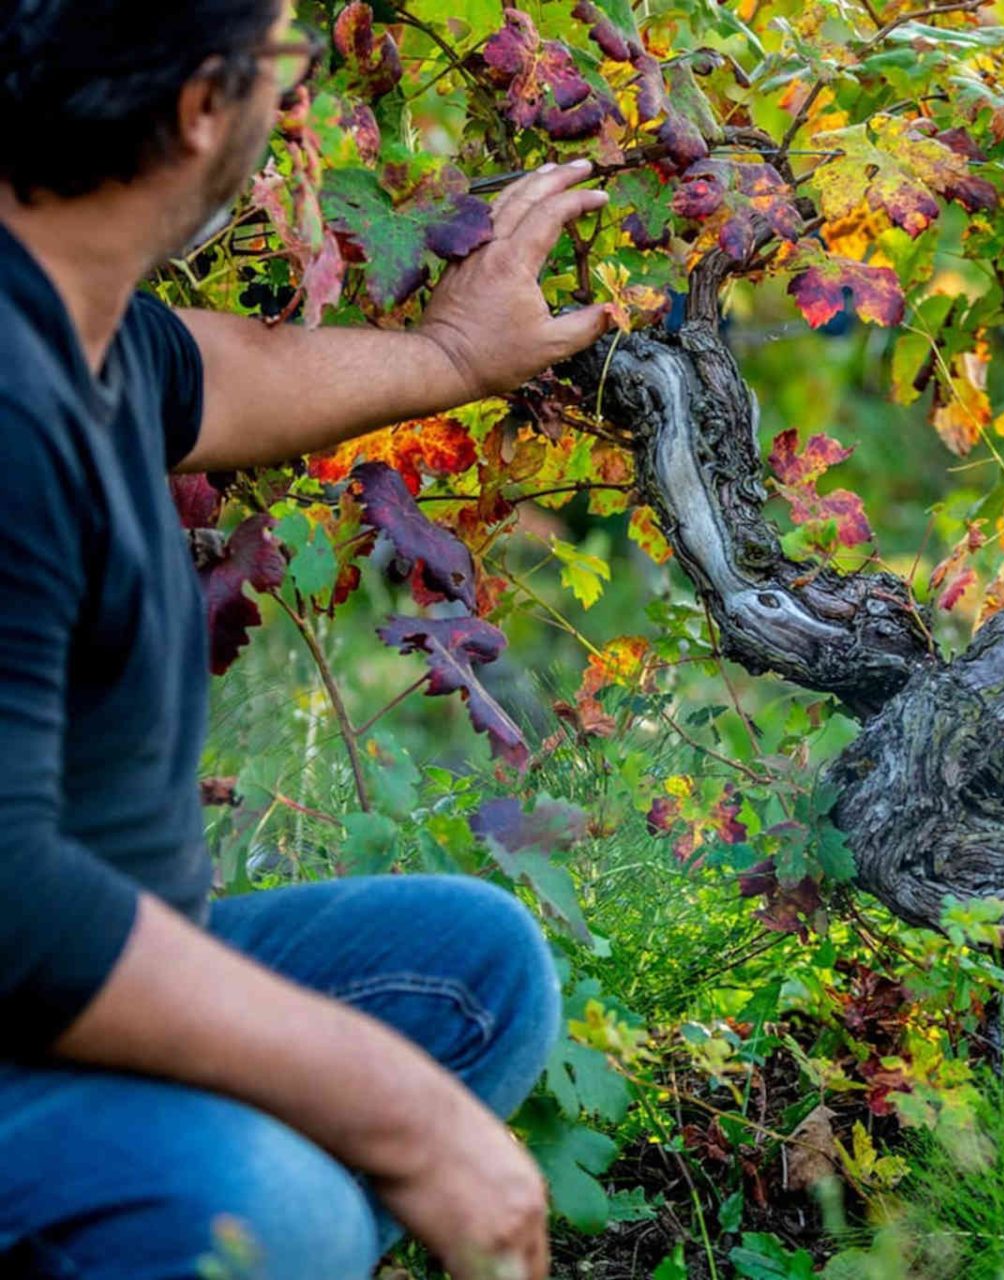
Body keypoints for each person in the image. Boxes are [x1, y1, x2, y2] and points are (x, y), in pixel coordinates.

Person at [0, 3, 614, 1278]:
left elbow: (219, 375)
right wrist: (399, 1116)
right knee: (277, 1210)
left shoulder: (69, 312)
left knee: (470, 970)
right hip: (21, 987)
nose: (294, 103)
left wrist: (455, 350)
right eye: (275, 60)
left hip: (60, 992)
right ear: (193, 109)